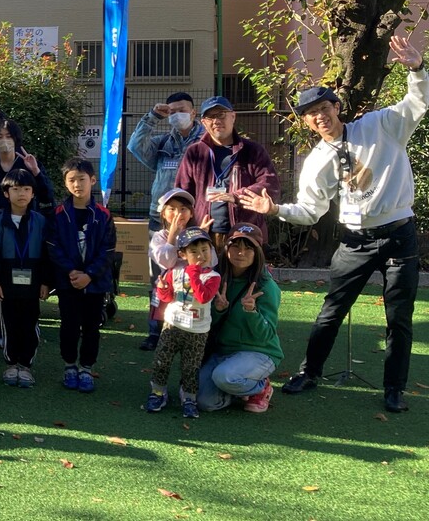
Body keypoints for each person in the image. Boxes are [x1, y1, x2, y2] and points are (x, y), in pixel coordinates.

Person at [238, 35, 425, 413]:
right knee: (331, 311)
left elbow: (417, 103)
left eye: (324, 107)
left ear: (336, 108)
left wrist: (418, 70)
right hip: (355, 241)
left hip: (399, 235)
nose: (319, 116)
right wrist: (274, 209)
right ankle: (309, 373)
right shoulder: (317, 162)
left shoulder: (380, 125)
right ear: (306, 122)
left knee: (399, 318)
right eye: (311, 113)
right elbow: (310, 211)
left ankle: (394, 389)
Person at [128, 92, 206, 350]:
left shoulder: (205, 141)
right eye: (172, 112)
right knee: (160, 278)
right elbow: (135, 146)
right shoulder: (163, 143)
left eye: (181, 110)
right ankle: (156, 331)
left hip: (194, 220)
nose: (176, 115)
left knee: (194, 276)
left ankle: (192, 331)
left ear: (193, 113)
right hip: (159, 219)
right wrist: (152, 117)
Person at [47, 158, 116, 394]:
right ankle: (69, 366)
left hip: (95, 284)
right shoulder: (58, 214)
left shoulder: (103, 215)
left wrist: (90, 274)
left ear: (93, 180)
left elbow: (107, 250)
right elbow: (53, 246)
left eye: (82, 179)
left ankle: (86, 368)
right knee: (69, 325)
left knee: (91, 327)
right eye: (72, 180)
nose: (77, 184)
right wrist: (71, 271)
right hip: (67, 282)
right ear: (65, 183)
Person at [175, 96, 279, 252]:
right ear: (203, 122)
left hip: (244, 234)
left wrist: (236, 196)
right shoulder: (195, 152)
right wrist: (190, 229)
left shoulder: (252, 151)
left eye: (221, 114)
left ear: (233, 116)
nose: (216, 121)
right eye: (210, 117)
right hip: (204, 235)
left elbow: (270, 185)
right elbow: (182, 193)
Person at [198, 223, 282, 413]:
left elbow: (266, 334)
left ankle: (261, 387)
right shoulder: (215, 278)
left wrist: (251, 312)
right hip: (223, 351)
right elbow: (207, 323)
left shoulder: (266, 286)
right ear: (227, 248)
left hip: (258, 351)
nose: (241, 253)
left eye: (248, 248)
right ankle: (236, 390)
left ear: (257, 253)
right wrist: (218, 310)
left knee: (225, 377)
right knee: (205, 402)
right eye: (235, 246)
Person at [145, 227, 220, 418]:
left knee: (190, 367)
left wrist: (194, 272)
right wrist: (162, 288)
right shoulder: (175, 271)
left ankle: (189, 399)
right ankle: (158, 393)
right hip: (172, 324)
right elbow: (167, 297)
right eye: (194, 251)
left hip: (197, 331)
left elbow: (203, 297)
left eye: (204, 250)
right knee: (161, 360)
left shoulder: (213, 277)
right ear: (182, 254)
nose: (200, 255)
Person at [0, 169, 50, 388]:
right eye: (15, 189)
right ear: (6, 193)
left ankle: (25, 365)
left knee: (30, 323)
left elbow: (46, 254)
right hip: (5, 283)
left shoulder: (40, 221)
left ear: (33, 193)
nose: (21, 193)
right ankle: (11, 364)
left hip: (33, 282)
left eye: (26, 189)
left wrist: (45, 282)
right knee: (8, 323)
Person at [140, 188, 214, 351]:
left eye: (183, 209)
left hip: (191, 284)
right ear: (163, 213)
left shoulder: (197, 235)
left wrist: (201, 239)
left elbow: (210, 261)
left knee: (190, 308)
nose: (178, 213)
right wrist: (172, 237)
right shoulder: (160, 236)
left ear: (191, 213)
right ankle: (154, 334)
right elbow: (167, 262)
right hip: (168, 284)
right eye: (172, 209)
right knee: (160, 305)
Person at [0, 118, 56, 213]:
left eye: (9, 136)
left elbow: (47, 196)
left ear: (16, 139)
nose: (4, 140)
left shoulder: (29, 164)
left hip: (26, 218)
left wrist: (36, 171)